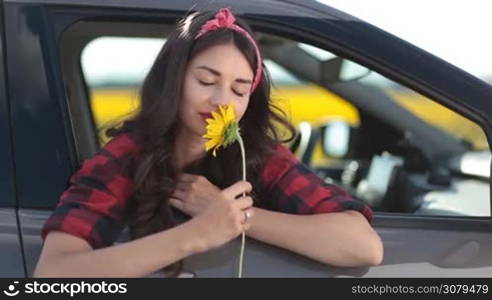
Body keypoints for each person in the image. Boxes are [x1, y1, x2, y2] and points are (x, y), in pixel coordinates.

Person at [34, 7, 383, 278]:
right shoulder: (126, 156)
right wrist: (197, 234)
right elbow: (53, 274)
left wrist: (238, 217)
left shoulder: (256, 154)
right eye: (206, 80)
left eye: (238, 89)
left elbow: (364, 246)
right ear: (174, 81)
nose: (222, 102)